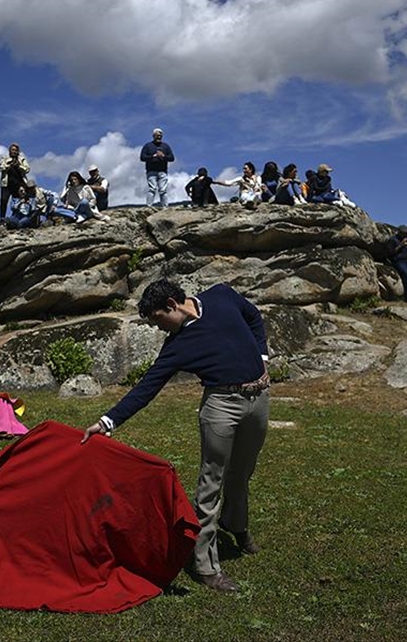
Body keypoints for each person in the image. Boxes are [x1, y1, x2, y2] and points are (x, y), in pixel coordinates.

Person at [81, 279, 270, 594]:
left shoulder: (222, 296)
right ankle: (206, 566)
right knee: (211, 483)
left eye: (157, 319)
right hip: (221, 406)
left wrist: (262, 357)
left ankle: (236, 524)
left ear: (171, 304)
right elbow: (146, 387)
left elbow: (252, 315)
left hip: (259, 398)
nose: (158, 328)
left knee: (242, 474)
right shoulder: (177, 345)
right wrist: (108, 421)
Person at [140, 127, 175, 207]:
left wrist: (163, 156)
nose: (159, 137)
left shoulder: (166, 146)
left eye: (160, 136)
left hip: (163, 171)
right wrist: (153, 156)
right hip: (151, 171)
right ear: (153, 136)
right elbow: (142, 157)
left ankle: (165, 207)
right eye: (157, 135)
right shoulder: (148, 146)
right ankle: (149, 206)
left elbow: (172, 158)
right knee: (152, 189)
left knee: (163, 190)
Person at [0, 143, 31, 225]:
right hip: (6, 184)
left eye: (15, 150)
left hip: (19, 184)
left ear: (18, 151)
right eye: (12, 150)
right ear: (9, 151)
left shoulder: (21, 159)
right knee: (3, 201)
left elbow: (27, 169)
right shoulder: (4, 158)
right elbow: (1, 167)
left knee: (19, 202)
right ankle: (2, 218)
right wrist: (9, 165)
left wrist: (19, 166)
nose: (14, 152)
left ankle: (17, 218)